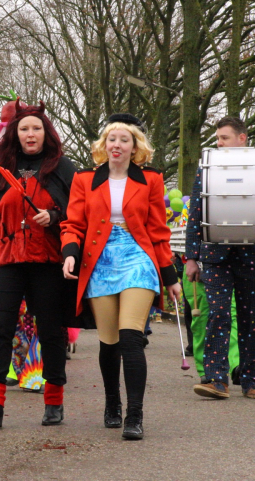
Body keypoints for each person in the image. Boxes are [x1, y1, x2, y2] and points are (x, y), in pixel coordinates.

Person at [0, 99, 77, 429]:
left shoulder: (63, 169)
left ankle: (54, 402)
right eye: (24, 128)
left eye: (36, 127)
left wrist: (54, 216)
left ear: (46, 132)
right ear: (15, 133)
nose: (30, 133)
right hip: (6, 260)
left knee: (51, 331)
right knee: (0, 329)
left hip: (48, 261)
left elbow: (78, 215)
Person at [61, 113, 181, 440]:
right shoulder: (85, 180)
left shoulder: (151, 180)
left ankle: (135, 415)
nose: (117, 145)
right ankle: (112, 402)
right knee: (109, 341)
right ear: (104, 145)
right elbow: (72, 224)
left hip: (137, 256)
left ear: (134, 147)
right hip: (98, 259)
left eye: (124, 140)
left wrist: (170, 276)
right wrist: (70, 253)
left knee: (131, 337)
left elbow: (158, 231)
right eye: (112, 139)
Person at [185, 116, 254, 400]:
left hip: (251, 253)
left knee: (251, 318)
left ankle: (251, 381)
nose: (219, 142)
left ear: (242, 138)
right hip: (215, 255)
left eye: (224, 137)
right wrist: (191, 257)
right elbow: (195, 215)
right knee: (218, 314)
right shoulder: (206, 168)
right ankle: (216, 379)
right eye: (217, 138)